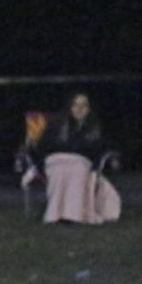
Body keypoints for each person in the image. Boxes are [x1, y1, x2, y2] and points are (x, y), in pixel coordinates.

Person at [37, 92, 120, 224]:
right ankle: (55, 214)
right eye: (76, 105)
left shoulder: (95, 128)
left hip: (82, 164)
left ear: (89, 108)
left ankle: (73, 215)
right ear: (70, 107)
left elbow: (101, 149)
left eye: (84, 105)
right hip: (56, 162)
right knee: (64, 170)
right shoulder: (56, 124)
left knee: (78, 169)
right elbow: (44, 146)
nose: (80, 109)